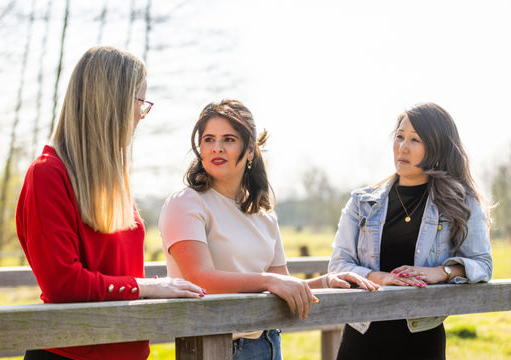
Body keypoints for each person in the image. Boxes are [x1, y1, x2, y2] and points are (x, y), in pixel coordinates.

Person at [16, 46, 204, 360]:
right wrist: (144, 287)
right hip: (73, 354)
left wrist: (160, 288)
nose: (141, 115)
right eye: (140, 102)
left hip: (126, 349)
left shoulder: (108, 180)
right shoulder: (48, 174)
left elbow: (117, 270)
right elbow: (63, 284)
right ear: (112, 102)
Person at [158, 99, 379, 360]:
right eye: (208, 139)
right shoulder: (186, 203)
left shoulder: (264, 215)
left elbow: (282, 286)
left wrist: (327, 282)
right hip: (216, 348)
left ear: (250, 150)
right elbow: (199, 279)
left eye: (228, 139)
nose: (216, 148)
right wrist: (268, 280)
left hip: (269, 343)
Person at [329, 102, 493, 359]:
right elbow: (338, 265)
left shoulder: (460, 202)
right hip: (362, 335)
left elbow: (482, 263)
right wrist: (381, 278)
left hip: (422, 338)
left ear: (437, 147)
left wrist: (441, 272)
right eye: (399, 137)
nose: (402, 147)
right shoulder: (362, 203)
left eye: (415, 140)